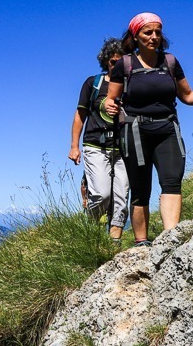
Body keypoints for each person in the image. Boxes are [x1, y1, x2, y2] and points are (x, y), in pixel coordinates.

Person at [104, 12, 193, 247]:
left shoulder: (170, 62)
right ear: (136, 35)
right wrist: (110, 105)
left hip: (167, 129)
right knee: (140, 188)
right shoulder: (125, 64)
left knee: (172, 181)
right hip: (135, 131)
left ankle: (169, 241)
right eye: (147, 32)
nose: (154, 37)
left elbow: (187, 95)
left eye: (157, 32)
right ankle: (141, 244)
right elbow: (110, 99)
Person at [69, 38, 130, 242]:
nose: (117, 66)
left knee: (121, 198)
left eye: (121, 62)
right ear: (106, 62)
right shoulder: (93, 84)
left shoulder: (131, 86)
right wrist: (74, 146)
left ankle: (113, 246)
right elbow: (80, 115)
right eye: (114, 62)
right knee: (102, 196)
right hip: (95, 145)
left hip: (123, 148)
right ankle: (91, 225)